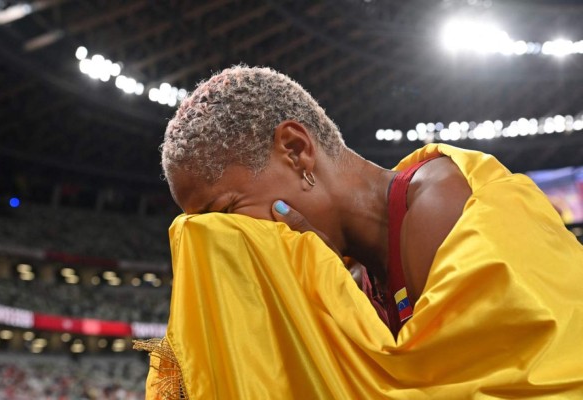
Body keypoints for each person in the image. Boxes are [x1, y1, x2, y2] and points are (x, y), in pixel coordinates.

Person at [136, 65, 583, 399]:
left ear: (296, 151)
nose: (227, 240)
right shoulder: (355, 272)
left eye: (227, 213)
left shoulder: (446, 210)